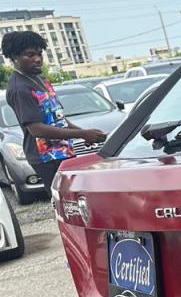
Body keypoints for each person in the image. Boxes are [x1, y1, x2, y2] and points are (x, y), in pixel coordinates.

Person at [3, 30, 106, 192]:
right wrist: (82, 134)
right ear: (14, 57)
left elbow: (58, 119)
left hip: (63, 151)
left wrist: (86, 133)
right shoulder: (19, 88)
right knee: (64, 201)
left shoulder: (39, 79)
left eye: (39, 54)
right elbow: (36, 129)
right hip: (46, 158)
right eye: (29, 55)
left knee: (78, 197)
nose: (37, 59)